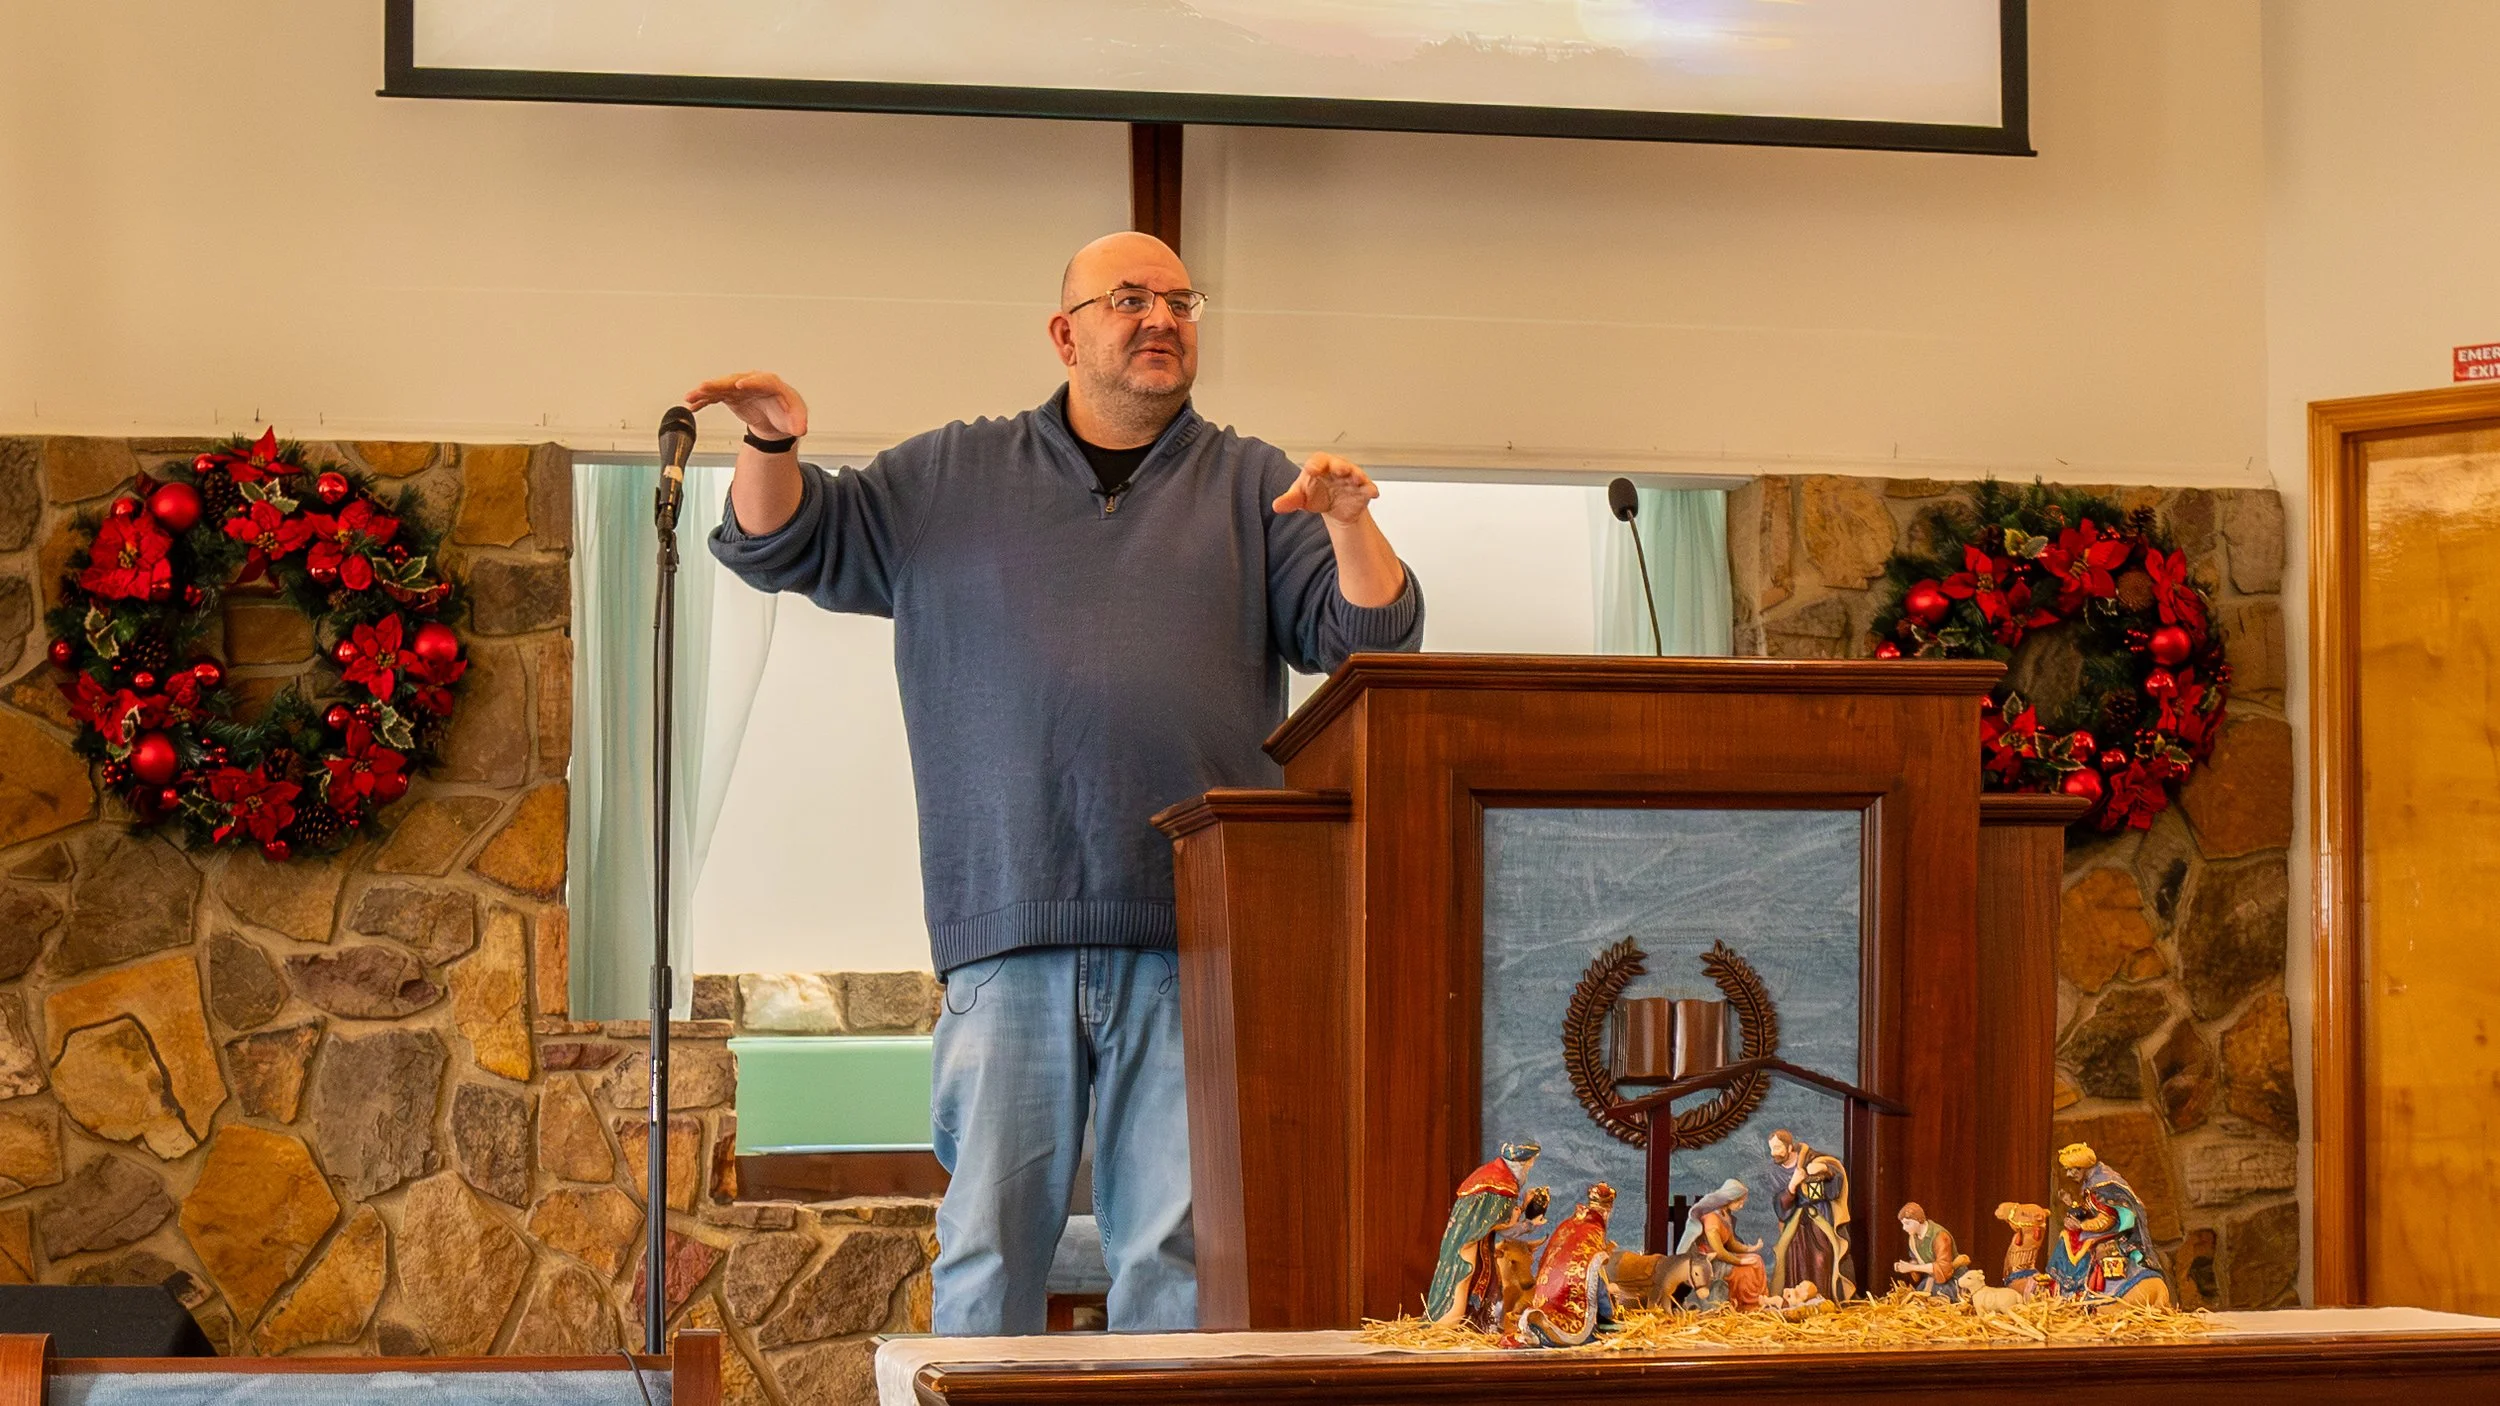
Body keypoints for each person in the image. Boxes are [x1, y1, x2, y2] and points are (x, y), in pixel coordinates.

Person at [697, 232, 1426, 1335]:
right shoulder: (948, 473)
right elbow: (779, 540)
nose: (1161, 318)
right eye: (1128, 298)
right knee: (990, 1245)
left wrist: (1347, 519)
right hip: (1006, 927)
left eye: (1179, 300)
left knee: (1176, 1251)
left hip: (1196, 939)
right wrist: (769, 439)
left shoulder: (1252, 483)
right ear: (1065, 333)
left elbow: (1373, 635)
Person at [1767, 1127, 1857, 1301]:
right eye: (1771, 1148)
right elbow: (1780, 1208)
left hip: (1819, 1222)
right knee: (1794, 1261)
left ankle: (1824, 1300)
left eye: (1777, 1148)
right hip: (1796, 1226)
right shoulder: (1776, 1173)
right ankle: (1795, 1301)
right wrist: (1792, 1186)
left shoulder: (1811, 1158)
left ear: (1790, 1147)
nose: (1773, 1153)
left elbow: (1836, 1179)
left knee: (1821, 1259)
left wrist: (1824, 1169)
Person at [1891, 1202, 1967, 1300]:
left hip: (1951, 1278)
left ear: (1918, 1220)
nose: (1904, 1228)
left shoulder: (1940, 1237)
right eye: (1903, 1224)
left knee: (1939, 1297)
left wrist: (1912, 1267)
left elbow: (1943, 1268)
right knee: (1918, 1297)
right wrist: (1907, 1267)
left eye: (1907, 1223)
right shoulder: (1913, 1238)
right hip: (1932, 1278)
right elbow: (1916, 1259)